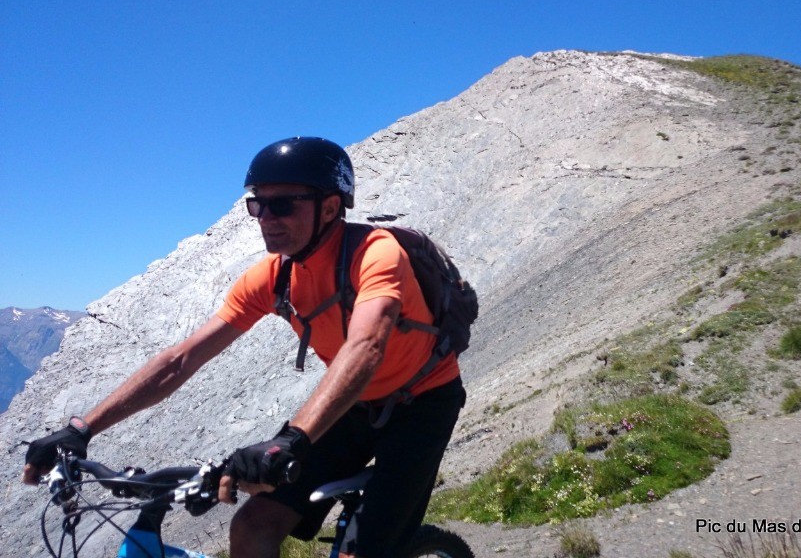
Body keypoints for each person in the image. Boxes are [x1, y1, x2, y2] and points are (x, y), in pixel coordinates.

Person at [22, 136, 467, 558]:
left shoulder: (377, 253)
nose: (265, 218)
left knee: (370, 548)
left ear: (330, 207)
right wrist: (82, 428)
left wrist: (292, 440)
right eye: (258, 204)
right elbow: (180, 360)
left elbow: (366, 347)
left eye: (282, 204)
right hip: (353, 407)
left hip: (423, 402)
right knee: (251, 526)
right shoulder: (274, 277)